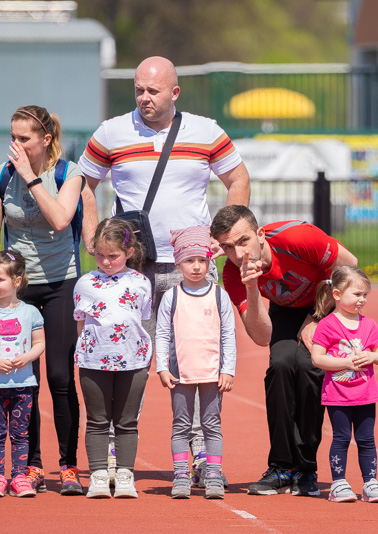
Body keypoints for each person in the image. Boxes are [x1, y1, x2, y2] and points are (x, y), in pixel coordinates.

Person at [79, 56, 250, 481]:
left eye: (153, 91)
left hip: (190, 268)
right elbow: (84, 183)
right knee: (121, 360)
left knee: (195, 362)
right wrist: (90, 235)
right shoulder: (111, 132)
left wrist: (221, 238)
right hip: (128, 270)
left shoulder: (206, 131)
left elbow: (239, 178)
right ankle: (116, 455)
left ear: (175, 92)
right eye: (138, 89)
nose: (144, 98)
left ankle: (198, 456)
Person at [211, 205, 357, 497]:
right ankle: (280, 467)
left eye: (243, 241)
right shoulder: (232, 274)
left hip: (326, 302)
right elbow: (262, 336)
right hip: (286, 309)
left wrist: (316, 318)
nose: (238, 254)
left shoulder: (296, 238)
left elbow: (349, 266)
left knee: (306, 366)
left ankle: (306, 469)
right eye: (228, 247)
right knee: (280, 366)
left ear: (261, 235)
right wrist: (252, 289)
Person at [0, 105, 86, 495]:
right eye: (13, 137)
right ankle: (33, 465)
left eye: (24, 138)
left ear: (45, 139)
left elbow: (61, 219)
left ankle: (69, 464)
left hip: (60, 283)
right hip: (19, 289)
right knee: (26, 381)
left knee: (60, 376)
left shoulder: (68, 172)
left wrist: (32, 178)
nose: (17, 145)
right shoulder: (1, 176)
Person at [73, 219, 152, 499]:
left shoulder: (142, 283)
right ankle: (97, 475)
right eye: (100, 255)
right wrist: (86, 352)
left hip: (133, 362)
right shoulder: (84, 284)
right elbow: (81, 324)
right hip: (93, 362)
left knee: (126, 421)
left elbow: (141, 320)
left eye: (113, 256)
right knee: (97, 420)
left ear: (129, 251)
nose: (106, 262)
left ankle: (125, 475)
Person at [155, 226, 236, 500]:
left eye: (202, 260)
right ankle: (180, 475)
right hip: (181, 374)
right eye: (190, 260)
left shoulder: (219, 294)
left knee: (212, 424)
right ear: (178, 262)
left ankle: (212, 474)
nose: (197, 267)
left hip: (213, 374)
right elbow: (162, 333)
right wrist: (162, 367)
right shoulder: (172, 296)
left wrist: (228, 369)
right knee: (181, 425)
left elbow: (228, 334)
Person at [310, 265, 378, 503]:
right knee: (341, 438)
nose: (361, 300)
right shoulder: (326, 325)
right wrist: (345, 362)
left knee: (367, 439)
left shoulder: (369, 324)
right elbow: (317, 358)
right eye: (356, 294)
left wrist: (373, 357)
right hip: (338, 395)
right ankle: (338, 483)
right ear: (336, 294)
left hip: (366, 394)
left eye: (365, 294)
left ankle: (370, 483)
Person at [0, 250, 45, 498]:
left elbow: (39, 343)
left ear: (17, 281)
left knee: (20, 433)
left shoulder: (31, 312)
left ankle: (20, 477)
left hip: (23, 385)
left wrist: (27, 357)